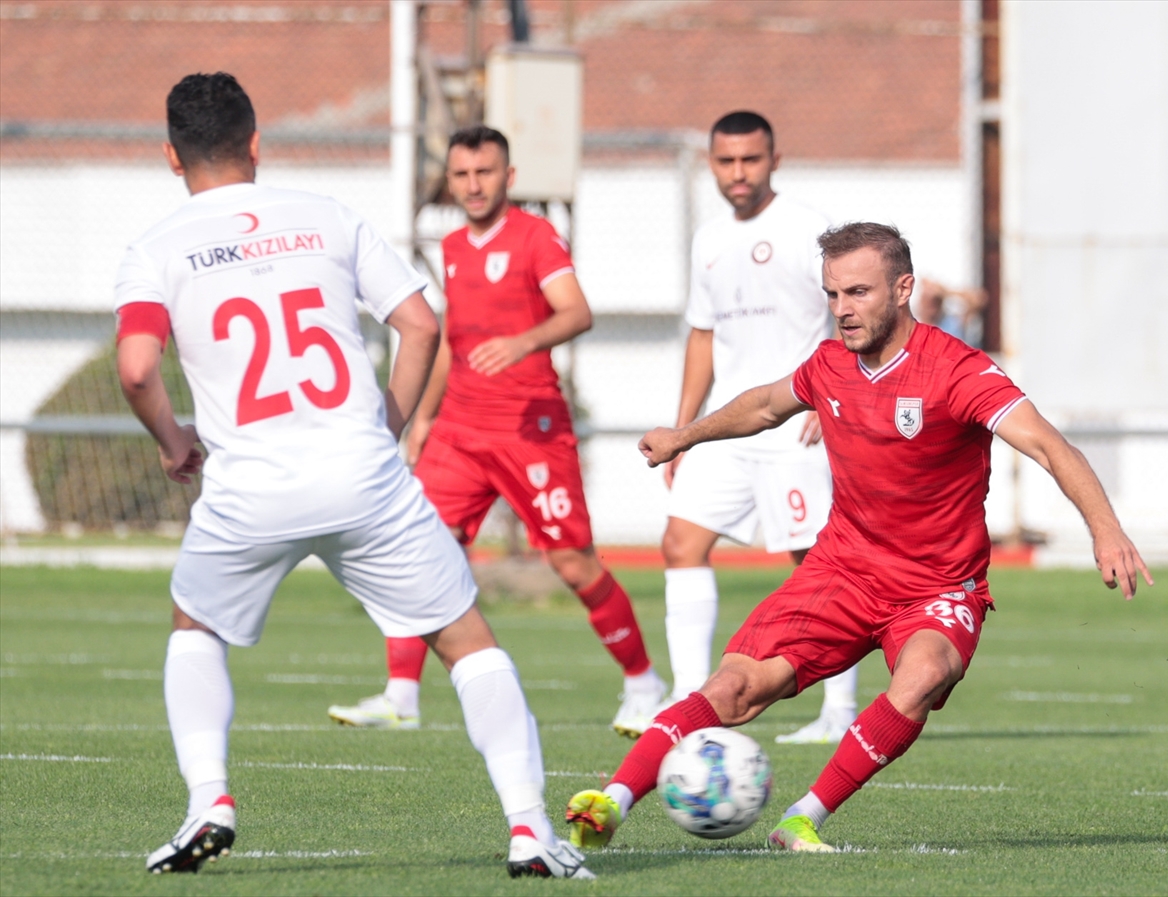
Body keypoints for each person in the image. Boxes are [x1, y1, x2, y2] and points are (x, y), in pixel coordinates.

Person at [117, 73, 592, 879]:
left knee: (194, 627)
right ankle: (529, 827)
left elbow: (136, 368)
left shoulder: (156, 246)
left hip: (249, 487)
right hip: (363, 473)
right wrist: (390, 425)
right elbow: (420, 323)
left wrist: (172, 441)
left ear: (171, 156)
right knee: (466, 641)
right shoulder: (328, 215)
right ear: (257, 143)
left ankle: (210, 801)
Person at [565, 222, 1151, 852]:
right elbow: (764, 405)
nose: (843, 310)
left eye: (858, 293)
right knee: (733, 690)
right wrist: (684, 435)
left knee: (924, 674)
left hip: (936, 588)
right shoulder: (828, 367)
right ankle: (611, 801)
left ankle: (802, 819)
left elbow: (1047, 444)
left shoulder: (957, 370)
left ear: (903, 288)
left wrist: (1106, 528)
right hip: (841, 571)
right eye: (833, 294)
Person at [327, 126, 667, 738]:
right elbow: (453, 337)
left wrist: (521, 341)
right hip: (459, 429)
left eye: (485, 172)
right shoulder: (454, 246)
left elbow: (577, 312)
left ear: (508, 178)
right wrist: (425, 416)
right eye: (462, 174)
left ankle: (643, 683)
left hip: (528, 429)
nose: (473, 184)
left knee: (572, 563)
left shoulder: (536, 238)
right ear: (449, 182)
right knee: (418, 551)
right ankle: (401, 695)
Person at [662, 110, 857, 745]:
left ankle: (839, 709)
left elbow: (850, 312)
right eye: (726, 161)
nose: (738, 173)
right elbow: (702, 334)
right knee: (680, 543)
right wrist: (684, 430)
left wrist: (837, 403)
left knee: (816, 564)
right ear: (712, 164)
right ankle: (687, 700)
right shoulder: (709, 240)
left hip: (794, 424)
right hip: (729, 426)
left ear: (774, 160)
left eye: (750, 160)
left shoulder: (807, 229)